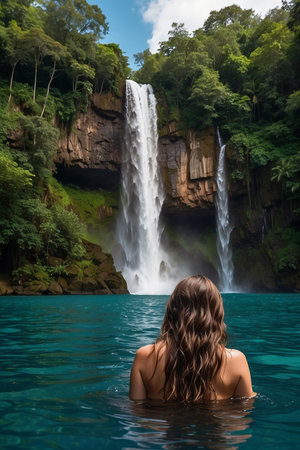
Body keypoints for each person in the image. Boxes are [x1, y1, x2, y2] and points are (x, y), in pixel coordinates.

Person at [129, 275, 256, 402]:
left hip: (162, 420)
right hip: (217, 420)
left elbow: (137, 411)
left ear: (172, 309)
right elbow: (243, 412)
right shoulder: (236, 360)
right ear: (216, 313)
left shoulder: (144, 356)